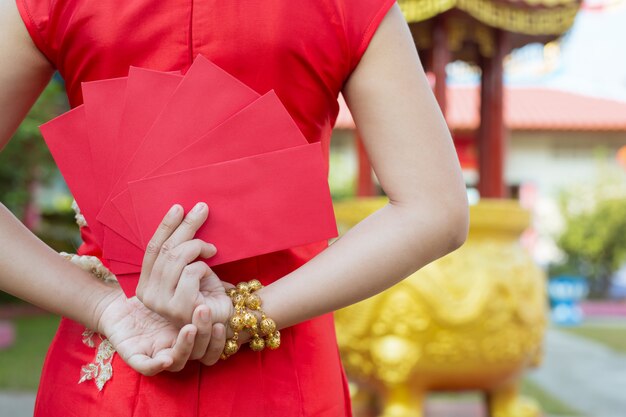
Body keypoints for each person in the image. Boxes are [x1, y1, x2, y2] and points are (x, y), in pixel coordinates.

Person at [0, 0, 469, 415]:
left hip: (115, 356)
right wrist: (246, 313)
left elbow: (435, 211)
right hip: (283, 361)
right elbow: (435, 209)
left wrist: (101, 305)